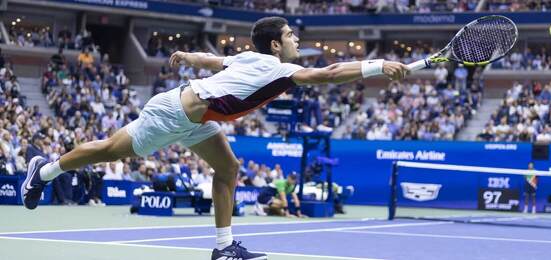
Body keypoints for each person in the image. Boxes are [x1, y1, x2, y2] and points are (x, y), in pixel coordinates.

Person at [21, 16, 408, 259]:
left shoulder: (256, 60)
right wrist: (376, 65)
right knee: (107, 151)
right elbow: (327, 74)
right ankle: (45, 171)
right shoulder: (276, 67)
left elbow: (218, 62)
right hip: (172, 114)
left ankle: (223, 248)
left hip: (197, 118)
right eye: (291, 35)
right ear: (275, 45)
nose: (295, 39)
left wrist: (191, 57)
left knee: (228, 168)